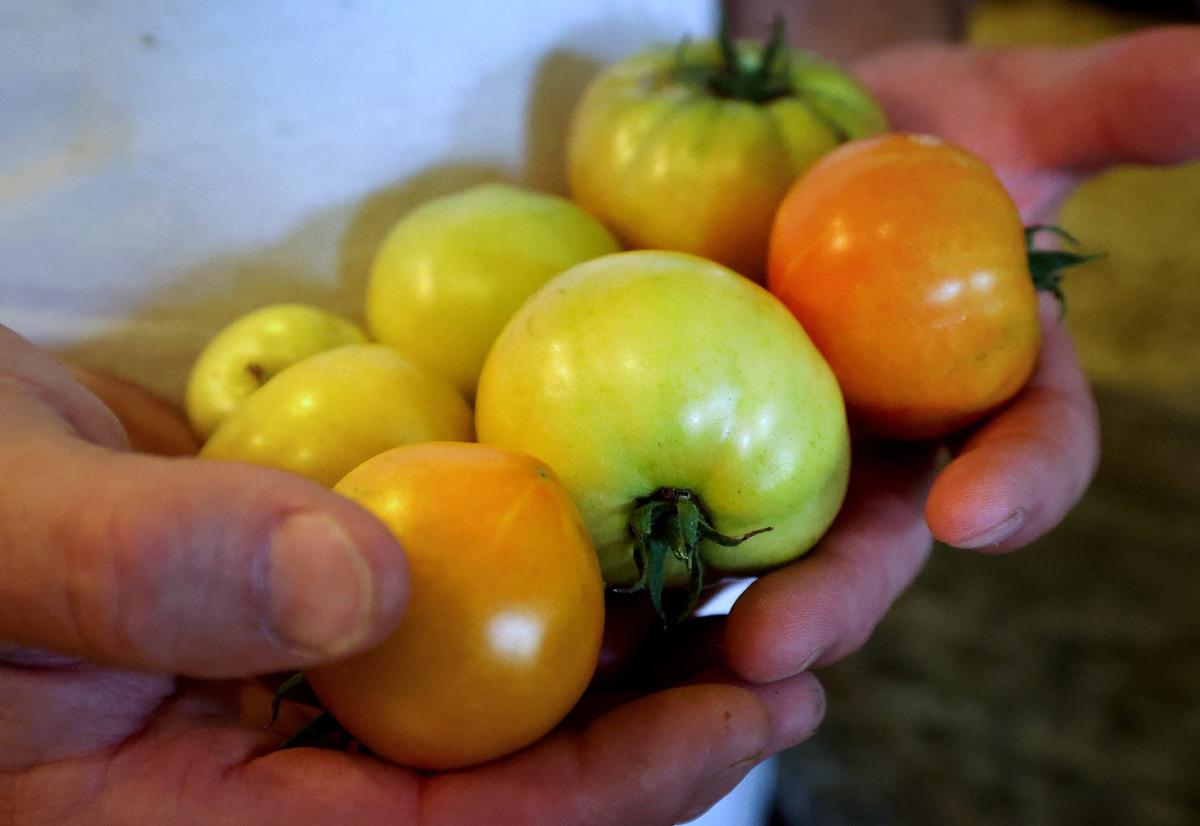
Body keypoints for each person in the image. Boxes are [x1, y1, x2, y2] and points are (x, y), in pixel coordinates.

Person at [2, 0, 1198, 821]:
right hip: (76, 528)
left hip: (638, 631)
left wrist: (861, 82)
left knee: (701, 739)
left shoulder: (613, 484)